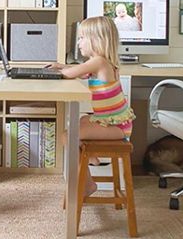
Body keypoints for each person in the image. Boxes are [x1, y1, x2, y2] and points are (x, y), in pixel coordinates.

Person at [48, 16, 135, 196]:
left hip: (116, 127)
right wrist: (61, 65)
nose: (79, 43)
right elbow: (79, 71)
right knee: (82, 119)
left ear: (96, 40)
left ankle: (88, 183)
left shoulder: (98, 62)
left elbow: (71, 73)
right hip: (114, 122)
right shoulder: (102, 62)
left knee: (67, 136)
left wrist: (60, 70)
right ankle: (90, 157)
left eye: (81, 38)